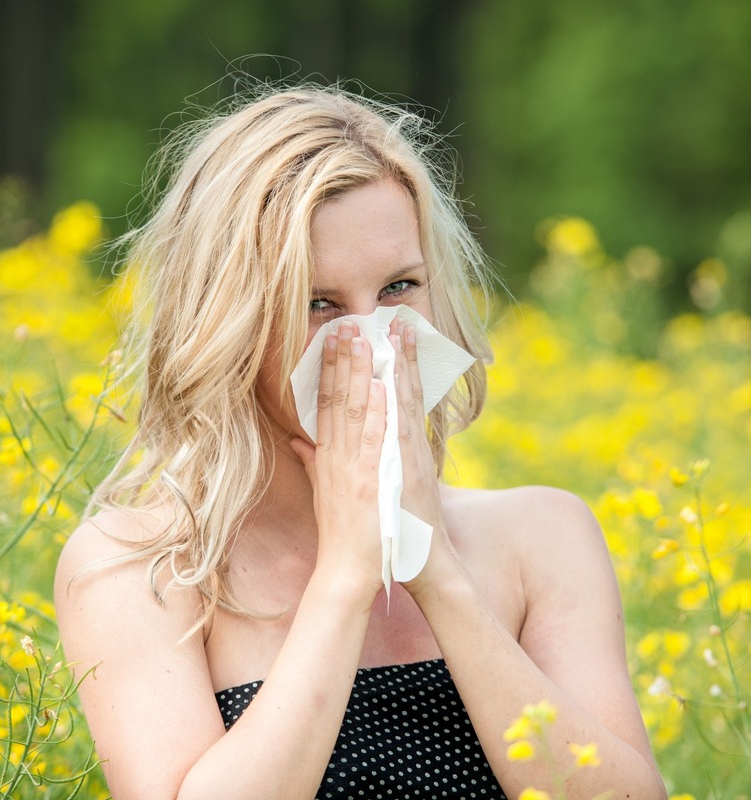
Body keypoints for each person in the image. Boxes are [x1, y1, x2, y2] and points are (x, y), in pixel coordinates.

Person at [54, 85, 667, 800]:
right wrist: (345, 578)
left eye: (400, 287)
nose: (372, 339)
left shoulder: (543, 537)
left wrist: (434, 569)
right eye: (320, 304)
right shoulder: (141, 573)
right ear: (229, 322)